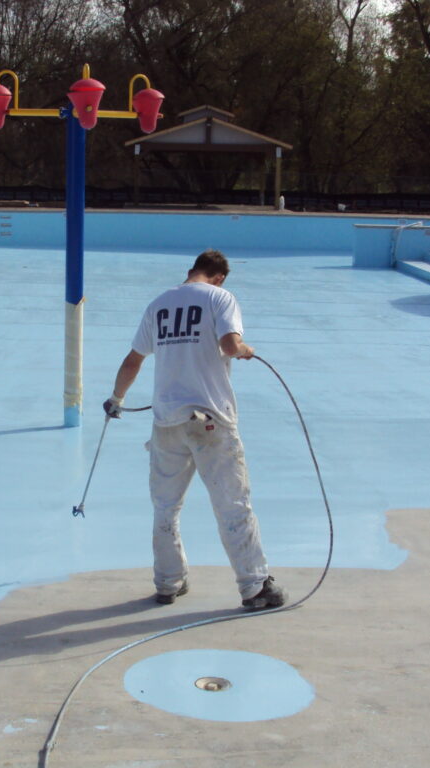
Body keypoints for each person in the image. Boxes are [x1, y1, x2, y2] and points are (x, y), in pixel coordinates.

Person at [103, 249, 286, 611]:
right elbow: (230, 346)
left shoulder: (159, 304)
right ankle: (254, 588)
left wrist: (116, 399)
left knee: (165, 507)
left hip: (166, 423)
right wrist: (246, 349)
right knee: (233, 505)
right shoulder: (221, 297)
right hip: (210, 422)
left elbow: (133, 359)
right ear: (218, 277)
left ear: (192, 271)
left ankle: (168, 583)